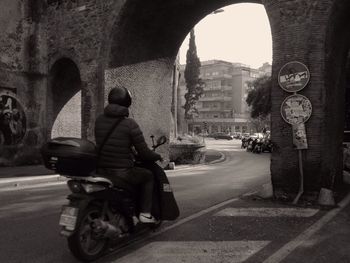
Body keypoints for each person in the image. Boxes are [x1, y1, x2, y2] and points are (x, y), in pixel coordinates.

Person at [94, 86, 162, 223]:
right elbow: (143, 152)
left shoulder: (99, 120)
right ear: (127, 103)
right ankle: (145, 214)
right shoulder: (130, 124)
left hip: (101, 169)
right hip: (121, 171)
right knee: (148, 176)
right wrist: (157, 156)